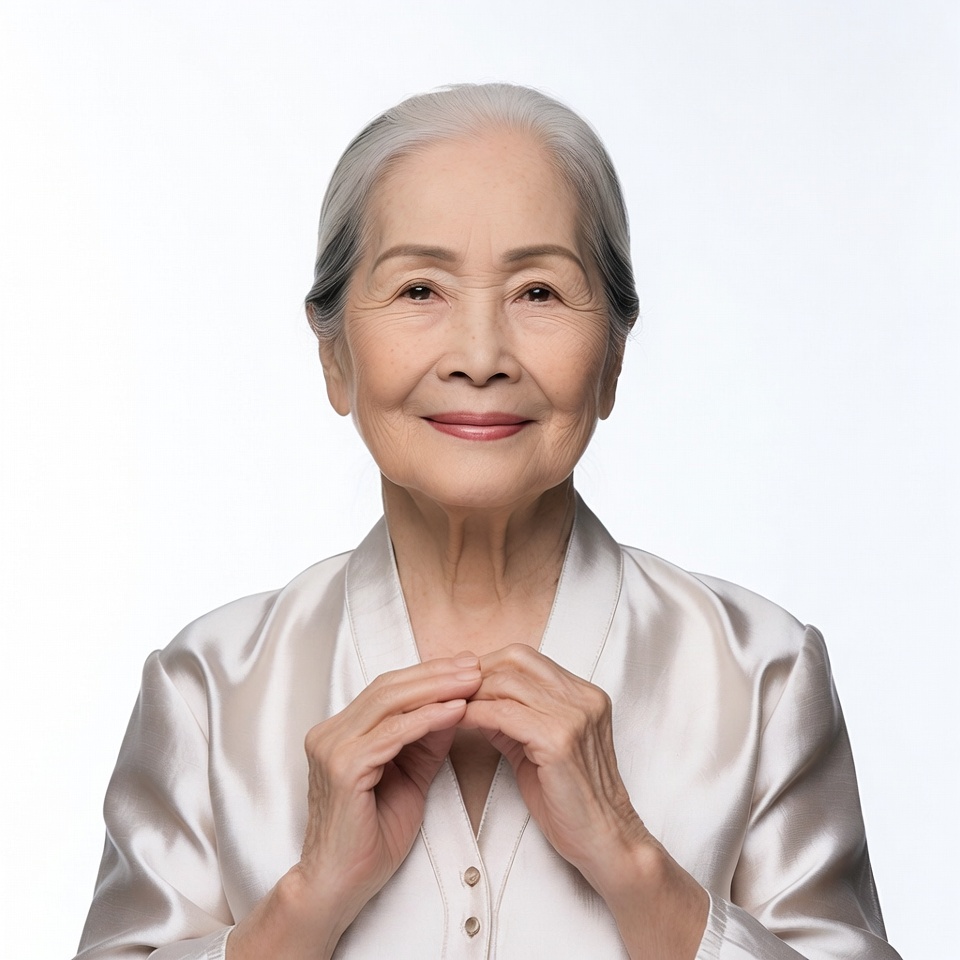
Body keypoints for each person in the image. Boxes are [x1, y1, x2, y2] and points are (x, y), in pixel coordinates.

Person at [75, 83, 901, 960]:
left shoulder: (761, 675)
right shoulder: (208, 688)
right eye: (420, 288)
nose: (480, 358)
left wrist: (634, 865)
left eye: (539, 292)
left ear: (614, 357)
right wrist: (305, 906)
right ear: (333, 357)